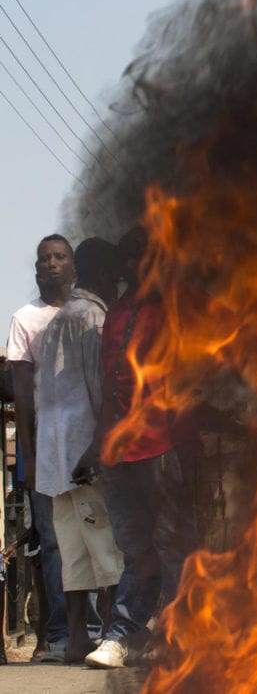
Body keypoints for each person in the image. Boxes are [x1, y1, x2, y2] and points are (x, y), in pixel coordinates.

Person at [78, 227, 202, 668]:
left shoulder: (179, 306)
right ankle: (125, 637)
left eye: (142, 260)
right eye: (127, 261)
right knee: (137, 549)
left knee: (172, 545)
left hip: (163, 445)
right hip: (118, 453)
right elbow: (109, 381)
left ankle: (179, 636)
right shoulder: (116, 311)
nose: (132, 269)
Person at [34, 238, 125, 662]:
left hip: (56, 460)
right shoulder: (93, 316)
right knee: (107, 549)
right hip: (85, 455)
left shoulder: (58, 319)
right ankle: (111, 638)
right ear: (104, 274)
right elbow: (102, 387)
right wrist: (101, 448)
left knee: (73, 556)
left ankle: (75, 641)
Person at [6, 234, 75, 659]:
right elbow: (23, 397)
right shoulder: (24, 319)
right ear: (36, 270)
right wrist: (28, 459)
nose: (51, 263)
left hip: (88, 447)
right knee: (53, 544)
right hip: (46, 446)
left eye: (59, 256)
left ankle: (102, 632)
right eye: (44, 258)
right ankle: (60, 635)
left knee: (99, 539)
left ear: (73, 266)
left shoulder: (92, 314)